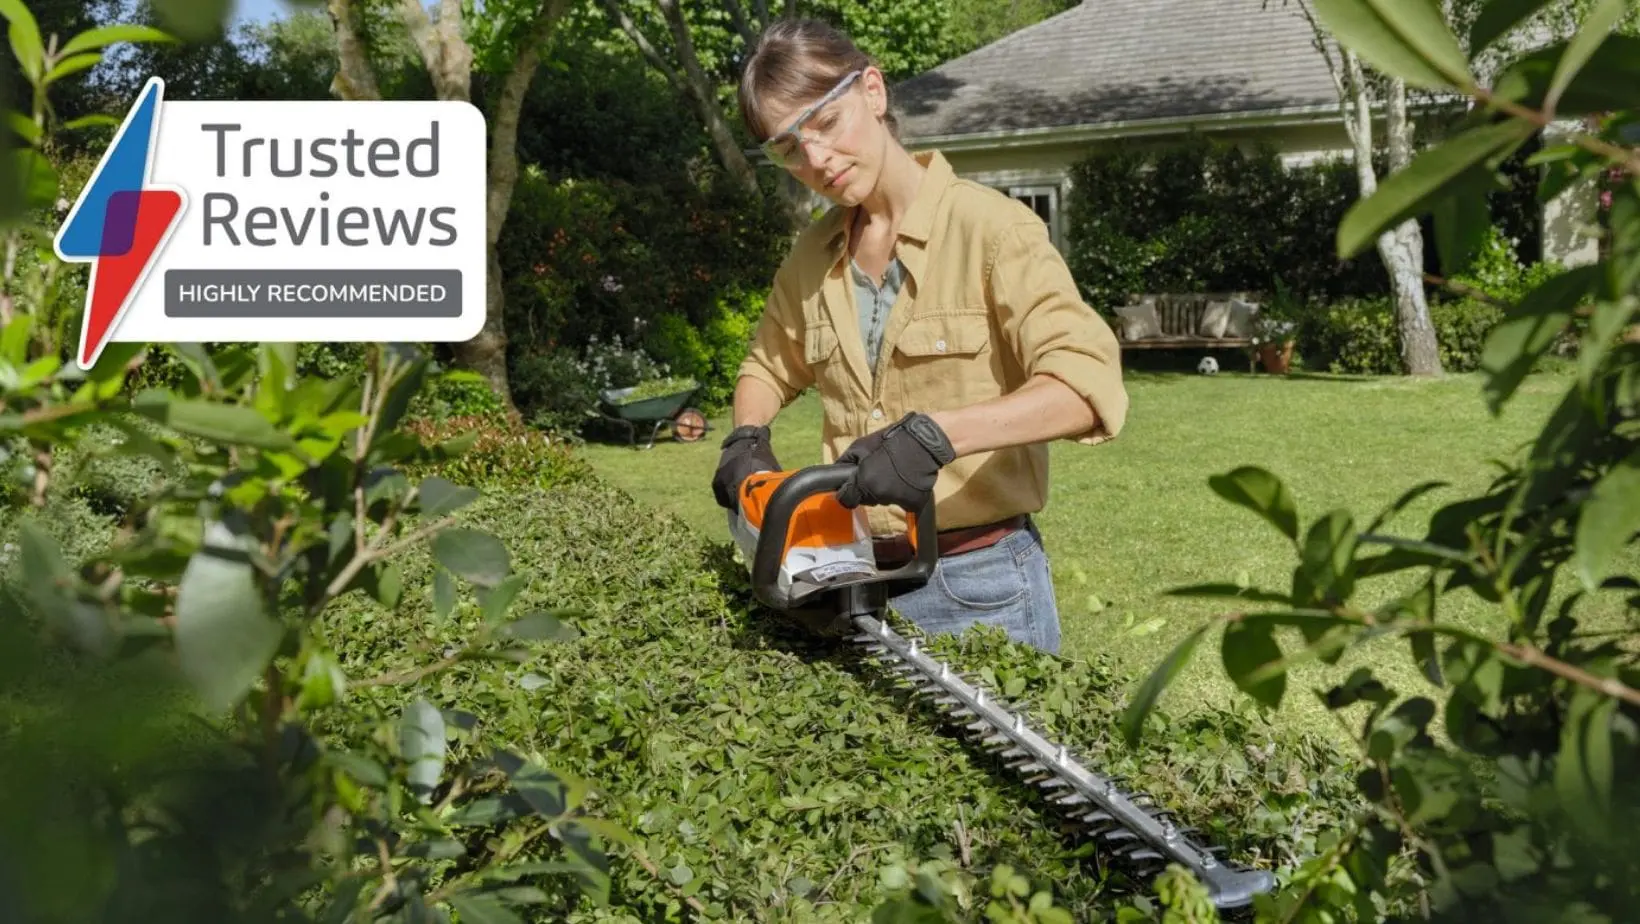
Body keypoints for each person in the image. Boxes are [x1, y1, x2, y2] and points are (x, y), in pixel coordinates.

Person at [711, 18, 1129, 655]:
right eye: (788, 147)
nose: (815, 160)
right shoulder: (813, 254)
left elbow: (1086, 388)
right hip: (848, 581)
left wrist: (937, 437)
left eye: (824, 121)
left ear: (873, 92)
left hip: (979, 584)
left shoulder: (993, 231)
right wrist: (746, 436)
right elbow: (768, 366)